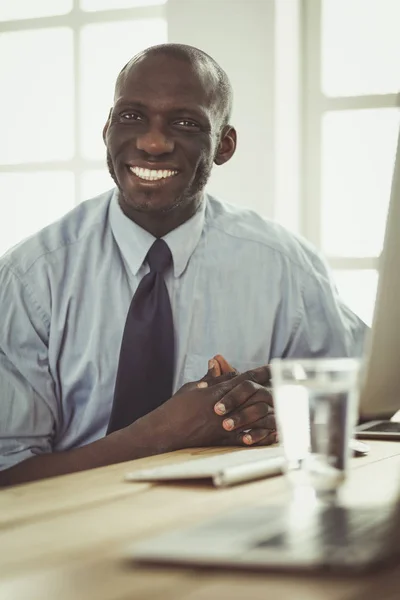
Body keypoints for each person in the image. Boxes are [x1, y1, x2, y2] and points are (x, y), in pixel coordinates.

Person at [0, 44, 366, 486]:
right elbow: (9, 475)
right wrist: (161, 434)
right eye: (131, 116)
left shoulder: (285, 267)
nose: (153, 143)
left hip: (230, 527)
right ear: (106, 130)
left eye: (186, 123)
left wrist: (278, 416)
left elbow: (366, 401)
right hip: (61, 534)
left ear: (224, 146)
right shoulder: (32, 278)